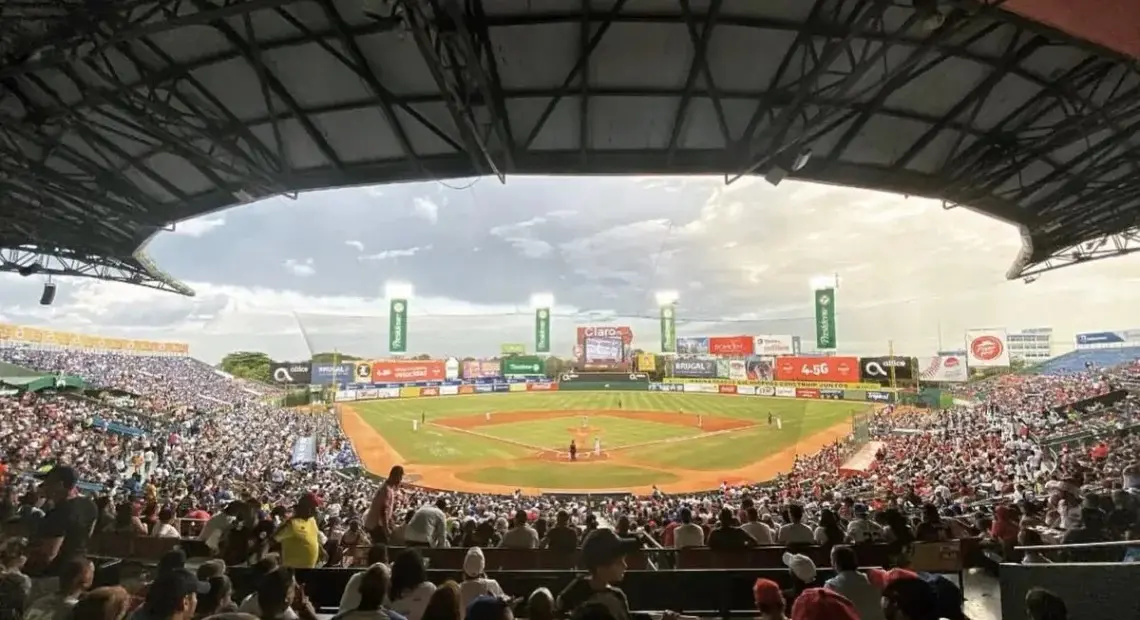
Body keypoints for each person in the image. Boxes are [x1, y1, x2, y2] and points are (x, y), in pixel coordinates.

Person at [555, 529, 677, 620]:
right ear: (601, 566)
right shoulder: (581, 594)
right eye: (619, 562)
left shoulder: (617, 595)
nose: (625, 565)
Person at [26, 466, 98, 580]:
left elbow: (49, 554)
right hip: (78, 570)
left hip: (54, 576)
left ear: (59, 485)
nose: (44, 486)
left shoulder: (60, 512)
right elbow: (88, 536)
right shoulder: (90, 505)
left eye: (48, 482)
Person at [274, 493, 323, 569]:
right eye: (313, 508)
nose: (316, 511)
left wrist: (321, 550)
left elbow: (314, 538)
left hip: (309, 569)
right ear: (306, 508)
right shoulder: (291, 524)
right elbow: (273, 540)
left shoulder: (312, 520)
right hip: (292, 570)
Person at [364, 466, 404, 544]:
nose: (401, 480)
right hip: (376, 525)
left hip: (375, 524)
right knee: (383, 547)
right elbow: (383, 511)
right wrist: (386, 529)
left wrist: (391, 523)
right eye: (400, 477)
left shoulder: (387, 487)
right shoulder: (386, 490)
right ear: (395, 476)